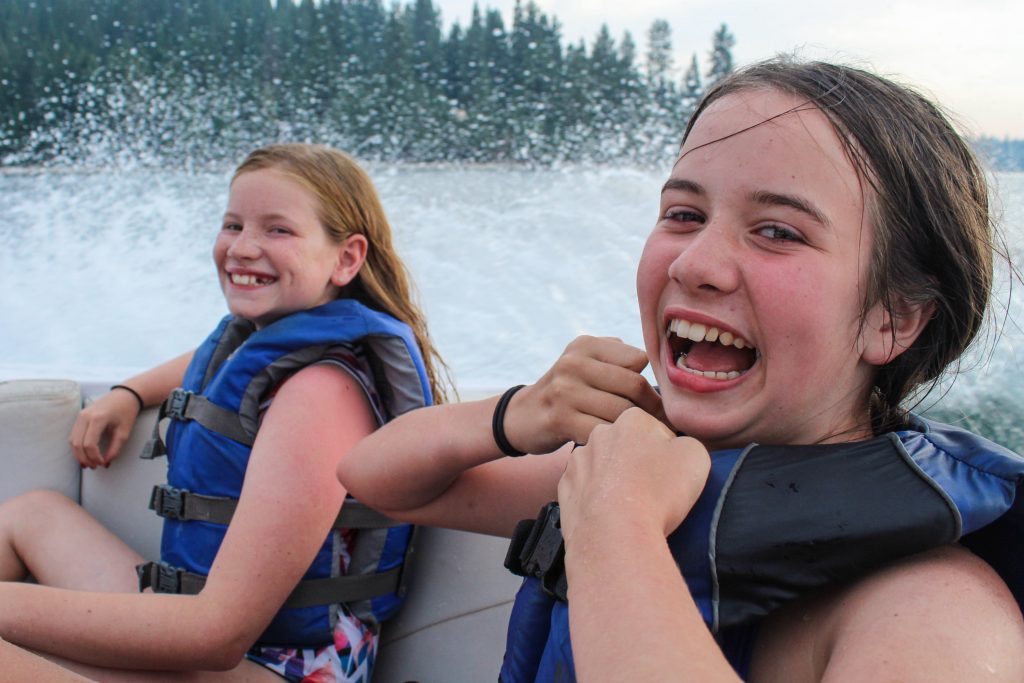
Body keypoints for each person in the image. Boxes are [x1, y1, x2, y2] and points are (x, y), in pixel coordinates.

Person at [338, 59, 1024, 682]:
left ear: (894, 319)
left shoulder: (936, 615)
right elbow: (376, 478)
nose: (692, 263)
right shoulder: (635, 469)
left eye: (778, 231)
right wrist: (521, 412)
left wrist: (616, 525)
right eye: (683, 214)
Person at [0, 143, 447, 682]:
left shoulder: (320, 396)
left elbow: (215, 637)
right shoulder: (279, 348)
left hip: (268, 666)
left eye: (277, 230)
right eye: (233, 224)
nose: (243, 247)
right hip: (214, 641)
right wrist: (132, 392)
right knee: (33, 515)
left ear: (347, 258)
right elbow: (218, 366)